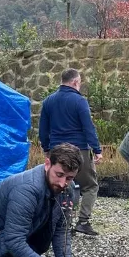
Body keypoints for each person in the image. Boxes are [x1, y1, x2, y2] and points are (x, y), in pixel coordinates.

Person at [38, 68, 103, 236]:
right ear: (75, 82)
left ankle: (62, 223)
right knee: (90, 186)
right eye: (79, 83)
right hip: (78, 151)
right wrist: (97, 150)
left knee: (59, 185)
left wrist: (46, 148)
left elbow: (43, 130)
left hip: (56, 150)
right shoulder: (79, 101)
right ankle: (83, 221)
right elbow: (88, 127)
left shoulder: (48, 101)